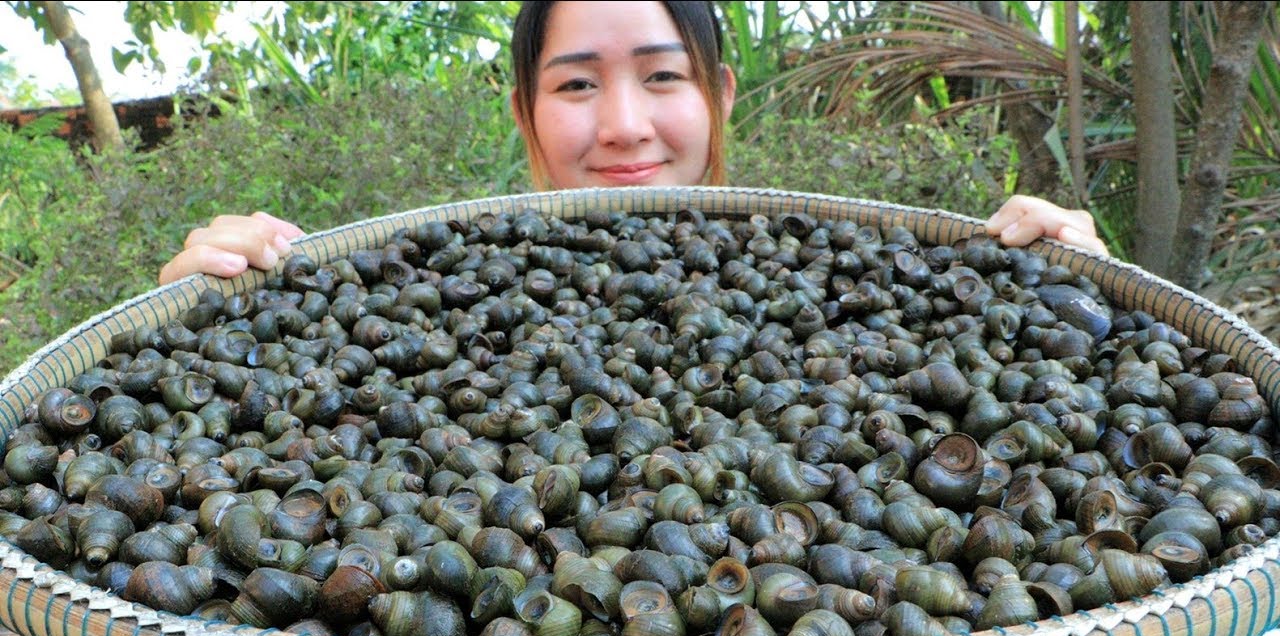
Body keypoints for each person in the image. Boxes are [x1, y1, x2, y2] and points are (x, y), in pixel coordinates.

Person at [157, 0, 1109, 286]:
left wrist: (1071, 291)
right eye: (575, 84)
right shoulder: (414, 286)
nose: (622, 123)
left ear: (719, 99)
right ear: (526, 115)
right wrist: (208, 306)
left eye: (663, 75)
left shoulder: (850, 280)